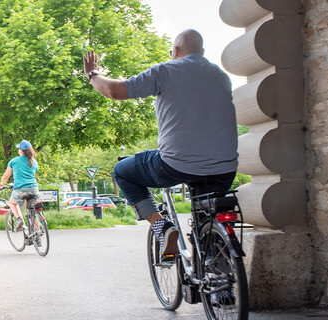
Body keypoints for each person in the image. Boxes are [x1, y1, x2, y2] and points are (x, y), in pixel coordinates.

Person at [82, 29, 238, 261]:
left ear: (175, 51)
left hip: (176, 165)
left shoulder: (166, 71)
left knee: (122, 171)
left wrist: (92, 74)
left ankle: (161, 226)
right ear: (202, 52)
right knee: (207, 222)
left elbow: (114, 90)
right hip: (224, 168)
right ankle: (220, 285)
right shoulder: (220, 76)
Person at [0, 140, 39, 234]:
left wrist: (0, 185)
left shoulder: (14, 161)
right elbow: (32, 173)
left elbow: (6, 175)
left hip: (20, 189)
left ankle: (19, 220)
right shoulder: (33, 161)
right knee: (32, 210)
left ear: (21, 150)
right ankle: (38, 230)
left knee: (12, 202)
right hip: (34, 189)